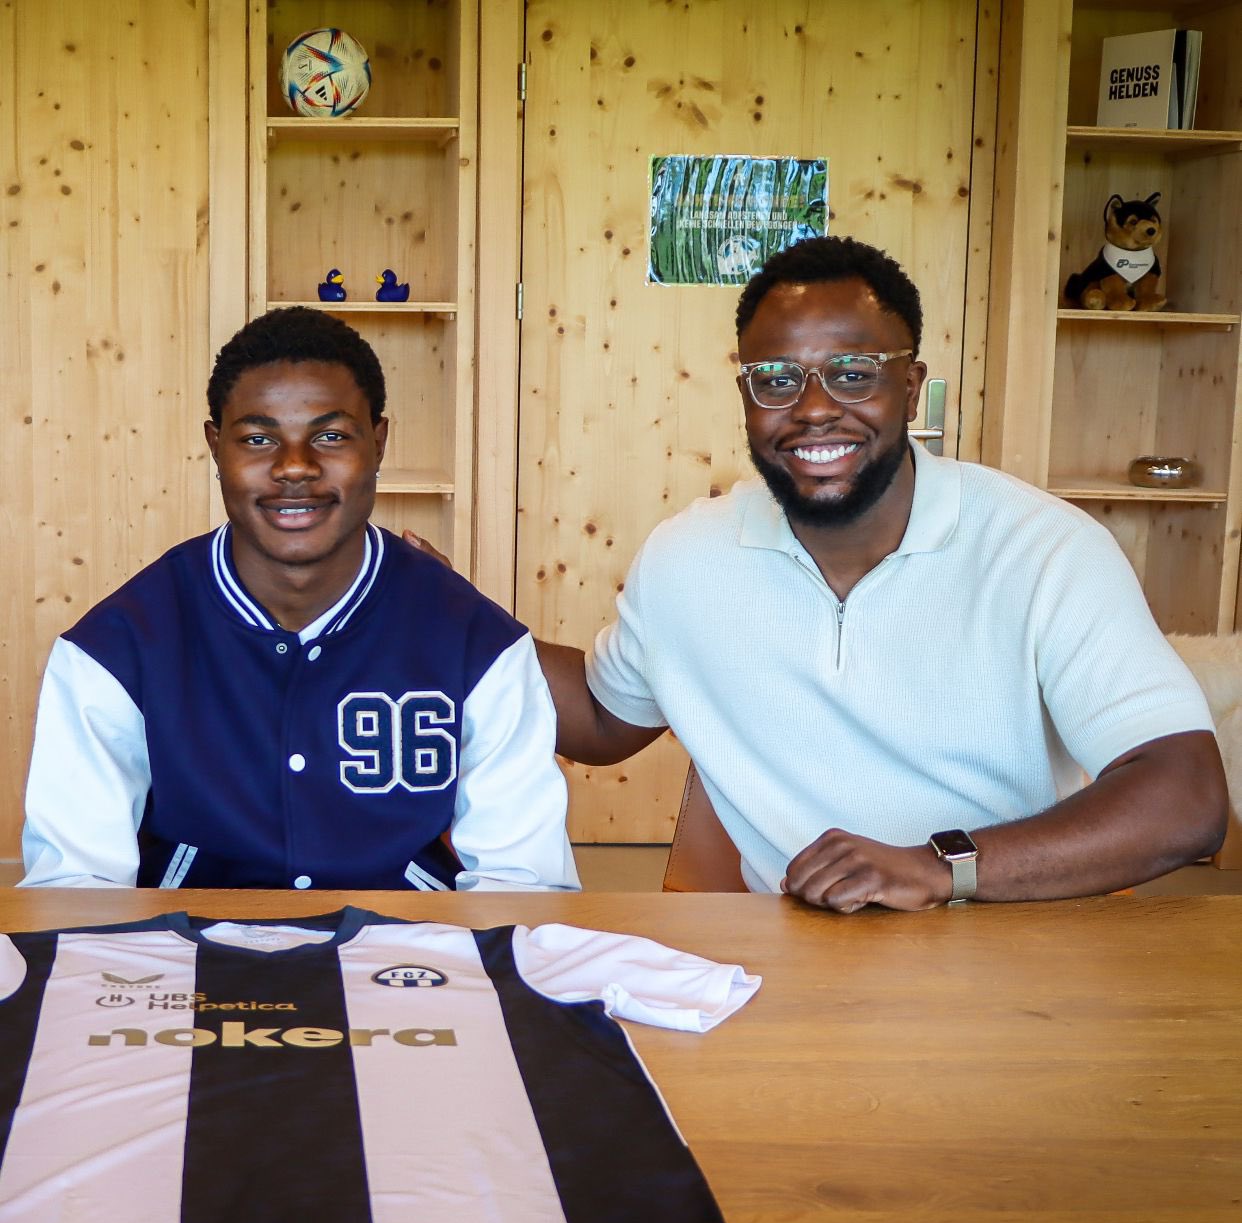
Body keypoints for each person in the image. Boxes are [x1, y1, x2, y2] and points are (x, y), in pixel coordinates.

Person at [455, 235, 1227, 912]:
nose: (814, 408)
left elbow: (1186, 797)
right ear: (746, 396)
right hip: (793, 954)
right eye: (777, 379)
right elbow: (600, 717)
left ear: (911, 386)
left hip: (1006, 943)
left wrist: (939, 868)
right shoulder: (686, 557)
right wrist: (436, 606)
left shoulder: (1044, 550)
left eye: (854, 373)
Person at [21, 307, 579, 893]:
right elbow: (75, 888)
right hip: (188, 942)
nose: (294, 467)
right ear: (215, 446)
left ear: (378, 443)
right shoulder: (118, 645)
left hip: (409, 942)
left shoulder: (474, 640)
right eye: (258, 439)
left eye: (331, 436)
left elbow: (522, 885)